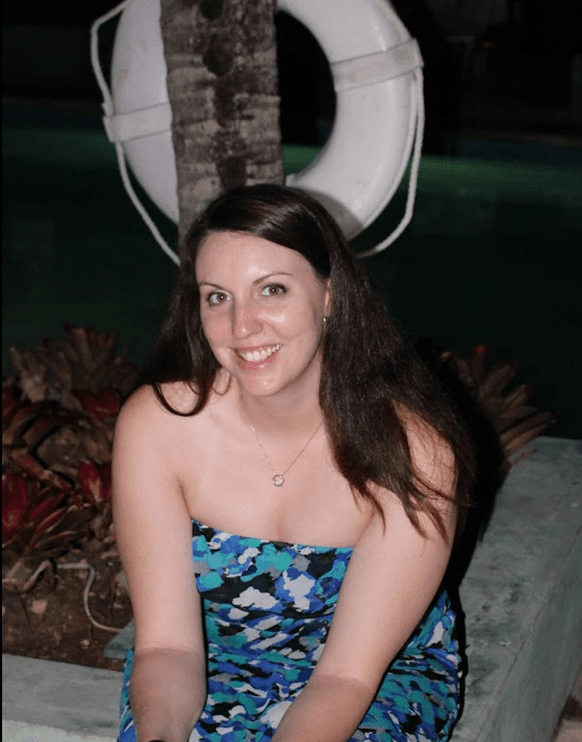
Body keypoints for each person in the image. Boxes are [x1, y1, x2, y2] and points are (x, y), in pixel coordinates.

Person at [112, 183, 474, 742]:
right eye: (218, 296)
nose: (242, 326)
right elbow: (167, 647)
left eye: (272, 290)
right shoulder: (160, 427)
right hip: (209, 663)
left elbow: (346, 677)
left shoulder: (413, 454)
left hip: (372, 678)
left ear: (329, 297)